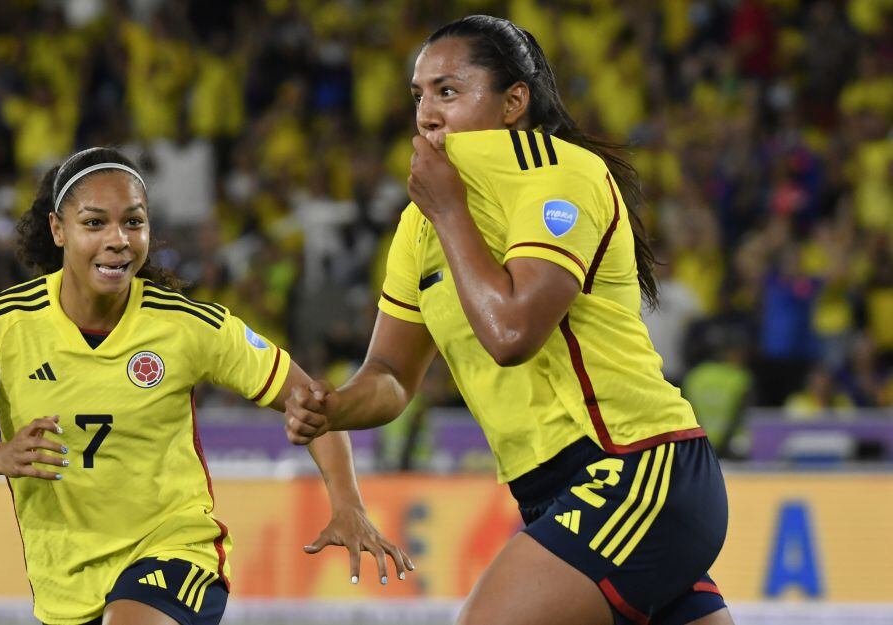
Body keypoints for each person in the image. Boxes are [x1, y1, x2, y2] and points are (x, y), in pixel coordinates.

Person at [285, 15, 731, 625]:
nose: (427, 115)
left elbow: (513, 334)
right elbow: (391, 374)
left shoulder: (560, 175)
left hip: (633, 466)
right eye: (419, 96)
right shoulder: (419, 225)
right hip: (550, 495)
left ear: (513, 102)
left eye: (449, 91)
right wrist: (332, 408)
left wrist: (449, 211)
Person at [0, 147, 412, 625]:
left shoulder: (187, 326)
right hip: (65, 580)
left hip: (174, 552)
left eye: (133, 221)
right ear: (58, 230)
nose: (118, 239)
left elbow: (316, 409)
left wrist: (347, 504)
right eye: (94, 223)